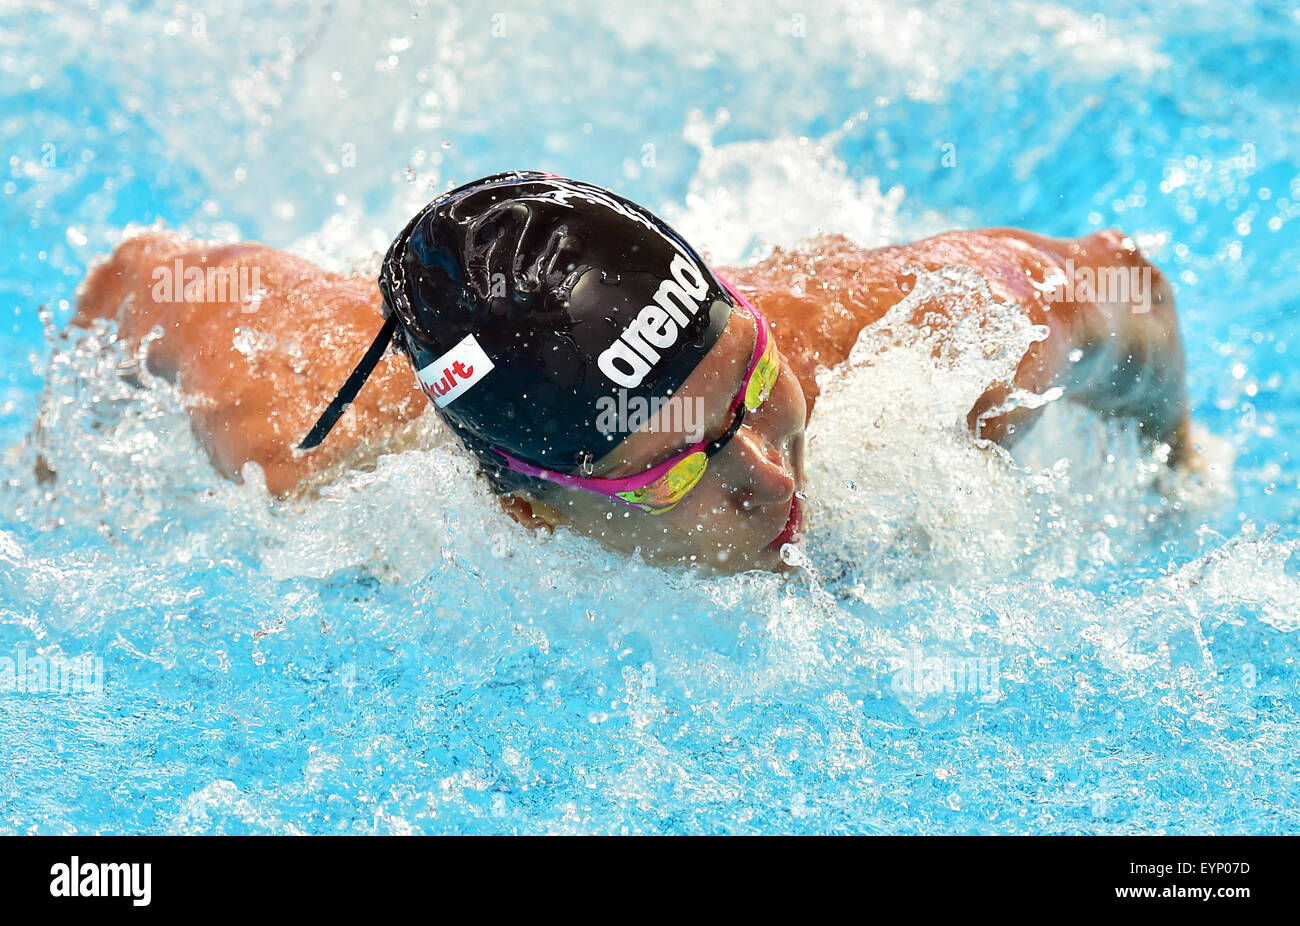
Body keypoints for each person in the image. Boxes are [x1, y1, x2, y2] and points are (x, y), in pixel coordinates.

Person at [52, 171, 1192, 572]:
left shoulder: (910, 349)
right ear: (529, 508)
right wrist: (49, 474)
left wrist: (1175, 463)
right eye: (674, 467)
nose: (766, 474)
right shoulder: (300, 448)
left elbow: (1126, 286)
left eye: (748, 390)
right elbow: (139, 276)